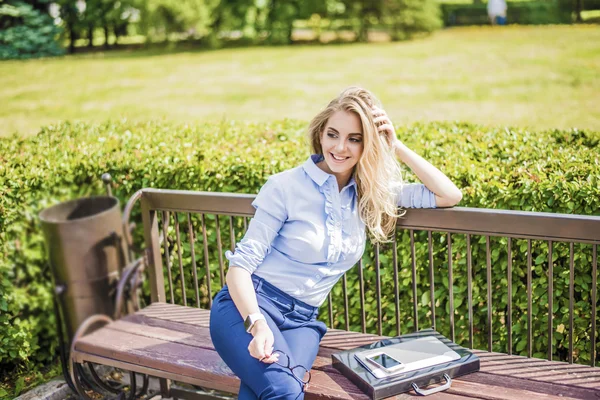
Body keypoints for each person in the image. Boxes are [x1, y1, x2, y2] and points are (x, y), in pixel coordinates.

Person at [209, 87, 462, 400]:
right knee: (284, 391)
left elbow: (448, 195)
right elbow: (239, 269)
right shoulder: (285, 187)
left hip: (301, 323)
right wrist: (257, 325)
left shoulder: (371, 192)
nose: (340, 147)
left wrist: (395, 146)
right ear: (320, 134)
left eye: (355, 138)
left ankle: (251, 361)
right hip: (248, 309)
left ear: (367, 143)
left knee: (270, 388)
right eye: (333, 134)